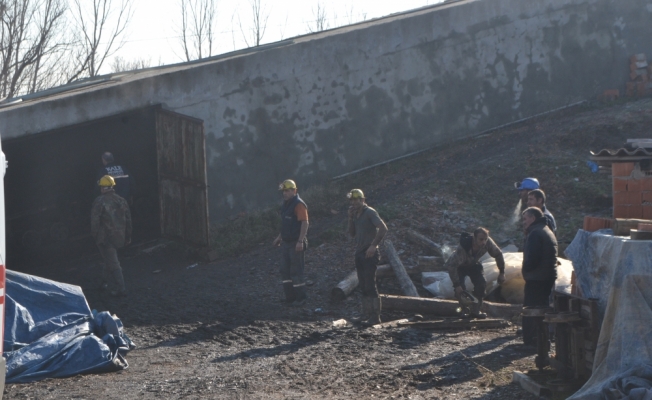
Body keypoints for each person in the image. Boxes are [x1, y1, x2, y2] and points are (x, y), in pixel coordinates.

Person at [445, 228, 506, 319]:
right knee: (461, 289)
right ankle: (463, 311)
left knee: (481, 284)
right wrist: (457, 285)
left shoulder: (487, 242)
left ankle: (476, 311)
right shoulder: (463, 247)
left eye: (485, 239)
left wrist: (502, 272)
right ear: (474, 238)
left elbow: (498, 254)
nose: (484, 242)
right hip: (459, 266)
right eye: (481, 239)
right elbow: (451, 266)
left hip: (474, 264)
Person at [347, 189, 387, 326]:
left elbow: (383, 228)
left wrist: (373, 246)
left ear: (362, 200)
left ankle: (375, 316)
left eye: (356, 200)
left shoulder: (370, 212)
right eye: (352, 200)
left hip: (369, 253)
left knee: (370, 284)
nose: (353, 203)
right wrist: (350, 218)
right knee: (363, 285)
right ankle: (366, 313)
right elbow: (352, 233)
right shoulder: (355, 215)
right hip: (359, 252)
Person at [521, 206, 558, 345]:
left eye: (525, 219)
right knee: (541, 307)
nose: (524, 222)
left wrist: (526, 269)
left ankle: (532, 340)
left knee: (532, 310)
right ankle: (541, 339)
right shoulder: (545, 229)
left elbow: (533, 257)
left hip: (537, 278)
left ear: (533, 218)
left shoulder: (536, 233)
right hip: (546, 277)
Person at [91, 175, 132, 297]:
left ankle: (121, 289)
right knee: (108, 259)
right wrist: (128, 236)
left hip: (105, 238)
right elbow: (129, 220)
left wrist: (95, 236)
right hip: (120, 237)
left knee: (113, 263)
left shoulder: (99, 201)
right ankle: (103, 283)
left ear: (103, 188)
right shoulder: (121, 200)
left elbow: (95, 222)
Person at [272, 179, 309, 304]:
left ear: (295, 191)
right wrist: (279, 237)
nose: (285, 193)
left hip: (295, 243)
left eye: (287, 191)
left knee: (296, 270)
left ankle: (301, 298)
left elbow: (304, 222)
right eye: (283, 191)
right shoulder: (286, 205)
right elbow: (286, 225)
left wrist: (300, 241)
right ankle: (290, 297)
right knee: (285, 270)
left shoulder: (298, 204)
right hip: (286, 243)